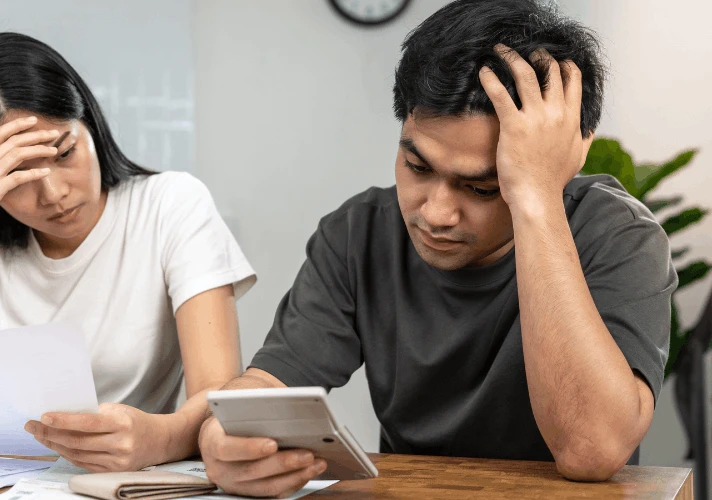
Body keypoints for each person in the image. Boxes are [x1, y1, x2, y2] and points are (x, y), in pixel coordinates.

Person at [198, 0, 676, 496]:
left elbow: (591, 450)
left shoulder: (617, 236)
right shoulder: (358, 234)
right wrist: (221, 439)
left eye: (484, 188)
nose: (435, 213)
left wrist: (535, 199)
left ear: (562, 157)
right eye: (418, 167)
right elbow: (266, 386)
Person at [0, 32, 256, 473]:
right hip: (11, 479)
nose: (53, 194)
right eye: (16, 176)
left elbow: (219, 397)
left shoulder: (171, 204)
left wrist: (159, 439)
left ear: (89, 122)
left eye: (64, 152)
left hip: (135, 481)